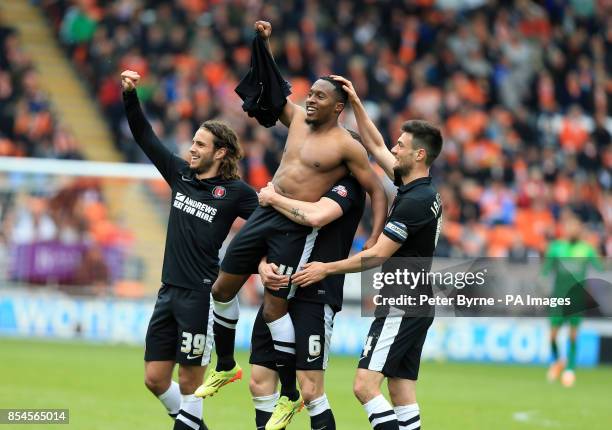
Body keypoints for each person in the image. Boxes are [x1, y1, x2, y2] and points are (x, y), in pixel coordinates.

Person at [196, 21, 387, 430]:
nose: (310, 100)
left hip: (292, 225)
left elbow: (377, 189)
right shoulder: (297, 118)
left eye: (320, 96)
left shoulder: (346, 145)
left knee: (274, 300)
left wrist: (373, 239)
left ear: (339, 107)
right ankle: (226, 363)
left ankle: (288, 393)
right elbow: (270, 85)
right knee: (222, 286)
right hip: (267, 213)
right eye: (310, 93)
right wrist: (261, 43)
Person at [292, 75, 443, 430]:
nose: (393, 149)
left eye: (401, 146)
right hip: (417, 301)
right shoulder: (418, 188)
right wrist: (357, 102)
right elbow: (374, 146)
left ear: (419, 154)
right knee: (401, 391)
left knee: (364, 386)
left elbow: (375, 256)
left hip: (404, 302)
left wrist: (325, 269)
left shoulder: (415, 203)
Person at [121, 70, 258, 430]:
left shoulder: (237, 193)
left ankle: (189, 423)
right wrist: (131, 96)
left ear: (221, 152)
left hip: (200, 296)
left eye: (200, 144)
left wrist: (264, 262)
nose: (191, 149)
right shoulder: (180, 174)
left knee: (189, 384)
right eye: (193, 142)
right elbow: (145, 137)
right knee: (154, 378)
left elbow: (267, 225)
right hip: (168, 291)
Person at [251, 153, 365, 430]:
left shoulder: (347, 187)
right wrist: (262, 263)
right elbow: (270, 232)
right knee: (259, 380)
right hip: (279, 290)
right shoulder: (300, 182)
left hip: (316, 294)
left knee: (310, 389)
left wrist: (274, 198)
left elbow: (316, 216)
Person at [544, 210, 603, 388]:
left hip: (577, 298)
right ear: (565, 229)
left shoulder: (587, 249)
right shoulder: (555, 248)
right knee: (552, 336)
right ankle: (556, 362)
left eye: (575, 227)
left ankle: (570, 370)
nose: (572, 230)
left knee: (573, 335)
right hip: (558, 298)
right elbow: (545, 271)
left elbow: (600, 268)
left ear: (580, 230)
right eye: (569, 227)